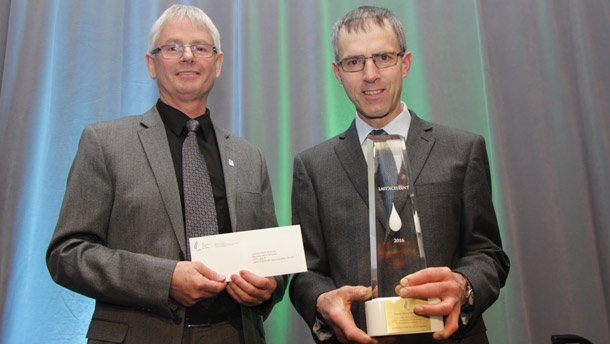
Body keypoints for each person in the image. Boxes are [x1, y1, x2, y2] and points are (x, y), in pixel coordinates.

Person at [46, 4, 285, 344]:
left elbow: (272, 256)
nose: (188, 56)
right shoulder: (104, 143)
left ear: (217, 64)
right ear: (151, 64)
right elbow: (67, 254)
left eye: (200, 48)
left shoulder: (249, 157)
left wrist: (269, 288)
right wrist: (164, 280)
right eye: (173, 47)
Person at [289, 6, 509, 344]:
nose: (370, 74)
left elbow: (488, 254)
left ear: (404, 63)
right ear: (338, 72)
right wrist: (321, 300)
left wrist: (463, 286)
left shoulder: (463, 150)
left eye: (383, 58)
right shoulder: (313, 167)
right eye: (354, 62)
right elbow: (307, 273)